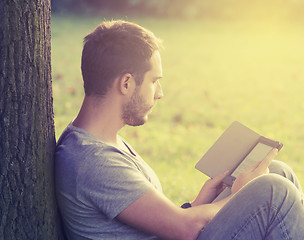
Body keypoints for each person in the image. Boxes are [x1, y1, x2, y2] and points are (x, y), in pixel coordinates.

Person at [55, 20, 304, 240]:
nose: (160, 93)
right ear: (126, 83)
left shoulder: (100, 142)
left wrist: (199, 202)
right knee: (273, 191)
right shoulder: (93, 160)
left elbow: (157, 224)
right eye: (154, 81)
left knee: (278, 172)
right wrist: (235, 195)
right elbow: (184, 231)